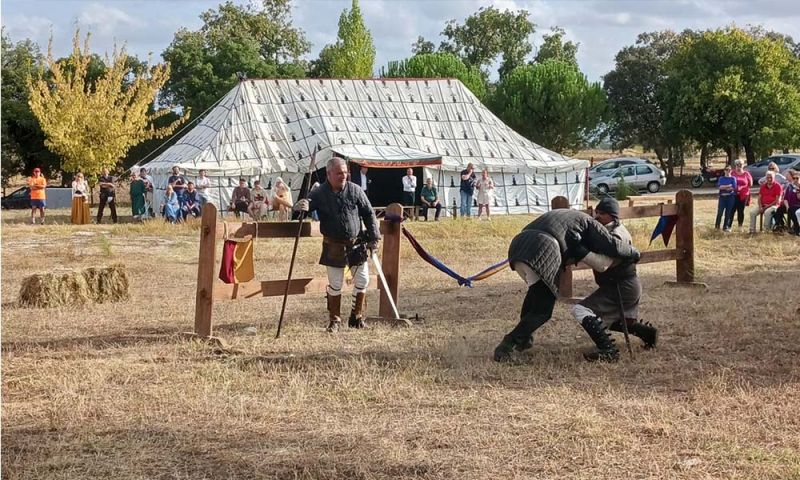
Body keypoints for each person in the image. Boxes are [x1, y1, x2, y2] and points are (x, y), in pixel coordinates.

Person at [494, 207, 641, 363]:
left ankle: (523, 339)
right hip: (541, 248)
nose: (598, 216)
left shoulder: (570, 218)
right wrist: (632, 252)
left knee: (536, 296)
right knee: (542, 311)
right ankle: (507, 346)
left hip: (518, 247)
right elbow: (612, 244)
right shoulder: (590, 223)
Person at [295, 157, 381, 332]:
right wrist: (301, 207)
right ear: (329, 174)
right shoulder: (319, 193)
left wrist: (374, 238)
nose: (343, 176)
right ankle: (334, 320)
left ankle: (356, 318)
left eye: (345, 172)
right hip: (334, 246)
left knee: (362, 281)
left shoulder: (355, 190)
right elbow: (305, 209)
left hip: (357, 244)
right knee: (335, 284)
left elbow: (369, 214)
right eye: (339, 173)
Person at [571, 197, 657, 360]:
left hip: (622, 286)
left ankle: (608, 350)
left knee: (581, 310)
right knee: (610, 319)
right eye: (596, 212)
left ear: (612, 215)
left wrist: (581, 251)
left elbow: (603, 265)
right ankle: (647, 333)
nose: (596, 217)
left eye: (601, 213)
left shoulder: (617, 235)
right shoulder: (609, 230)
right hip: (623, 284)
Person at [774, 170, 800, 235]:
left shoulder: (798, 187)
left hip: (798, 206)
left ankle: (796, 229)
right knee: (779, 209)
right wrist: (787, 206)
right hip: (790, 205)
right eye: (794, 178)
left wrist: (798, 190)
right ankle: (780, 225)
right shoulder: (790, 186)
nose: (795, 180)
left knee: (792, 210)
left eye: (797, 178)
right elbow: (785, 198)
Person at [731, 159, 752, 231]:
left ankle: (740, 226)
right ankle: (729, 226)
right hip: (733, 194)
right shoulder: (732, 173)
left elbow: (750, 184)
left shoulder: (746, 174)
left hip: (744, 195)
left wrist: (742, 187)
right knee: (732, 210)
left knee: (741, 211)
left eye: (740, 165)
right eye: (737, 164)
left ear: (743, 165)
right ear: (735, 165)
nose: (739, 166)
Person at [715, 165, 737, 231]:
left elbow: (734, 187)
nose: (728, 171)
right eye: (726, 170)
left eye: (729, 170)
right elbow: (720, 187)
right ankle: (717, 226)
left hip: (730, 197)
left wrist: (725, 187)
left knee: (728, 212)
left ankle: (726, 227)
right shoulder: (721, 178)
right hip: (722, 197)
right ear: (724, 171)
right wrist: (728, 186)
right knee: (720, 212)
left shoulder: (733, 178)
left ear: (731, 171)